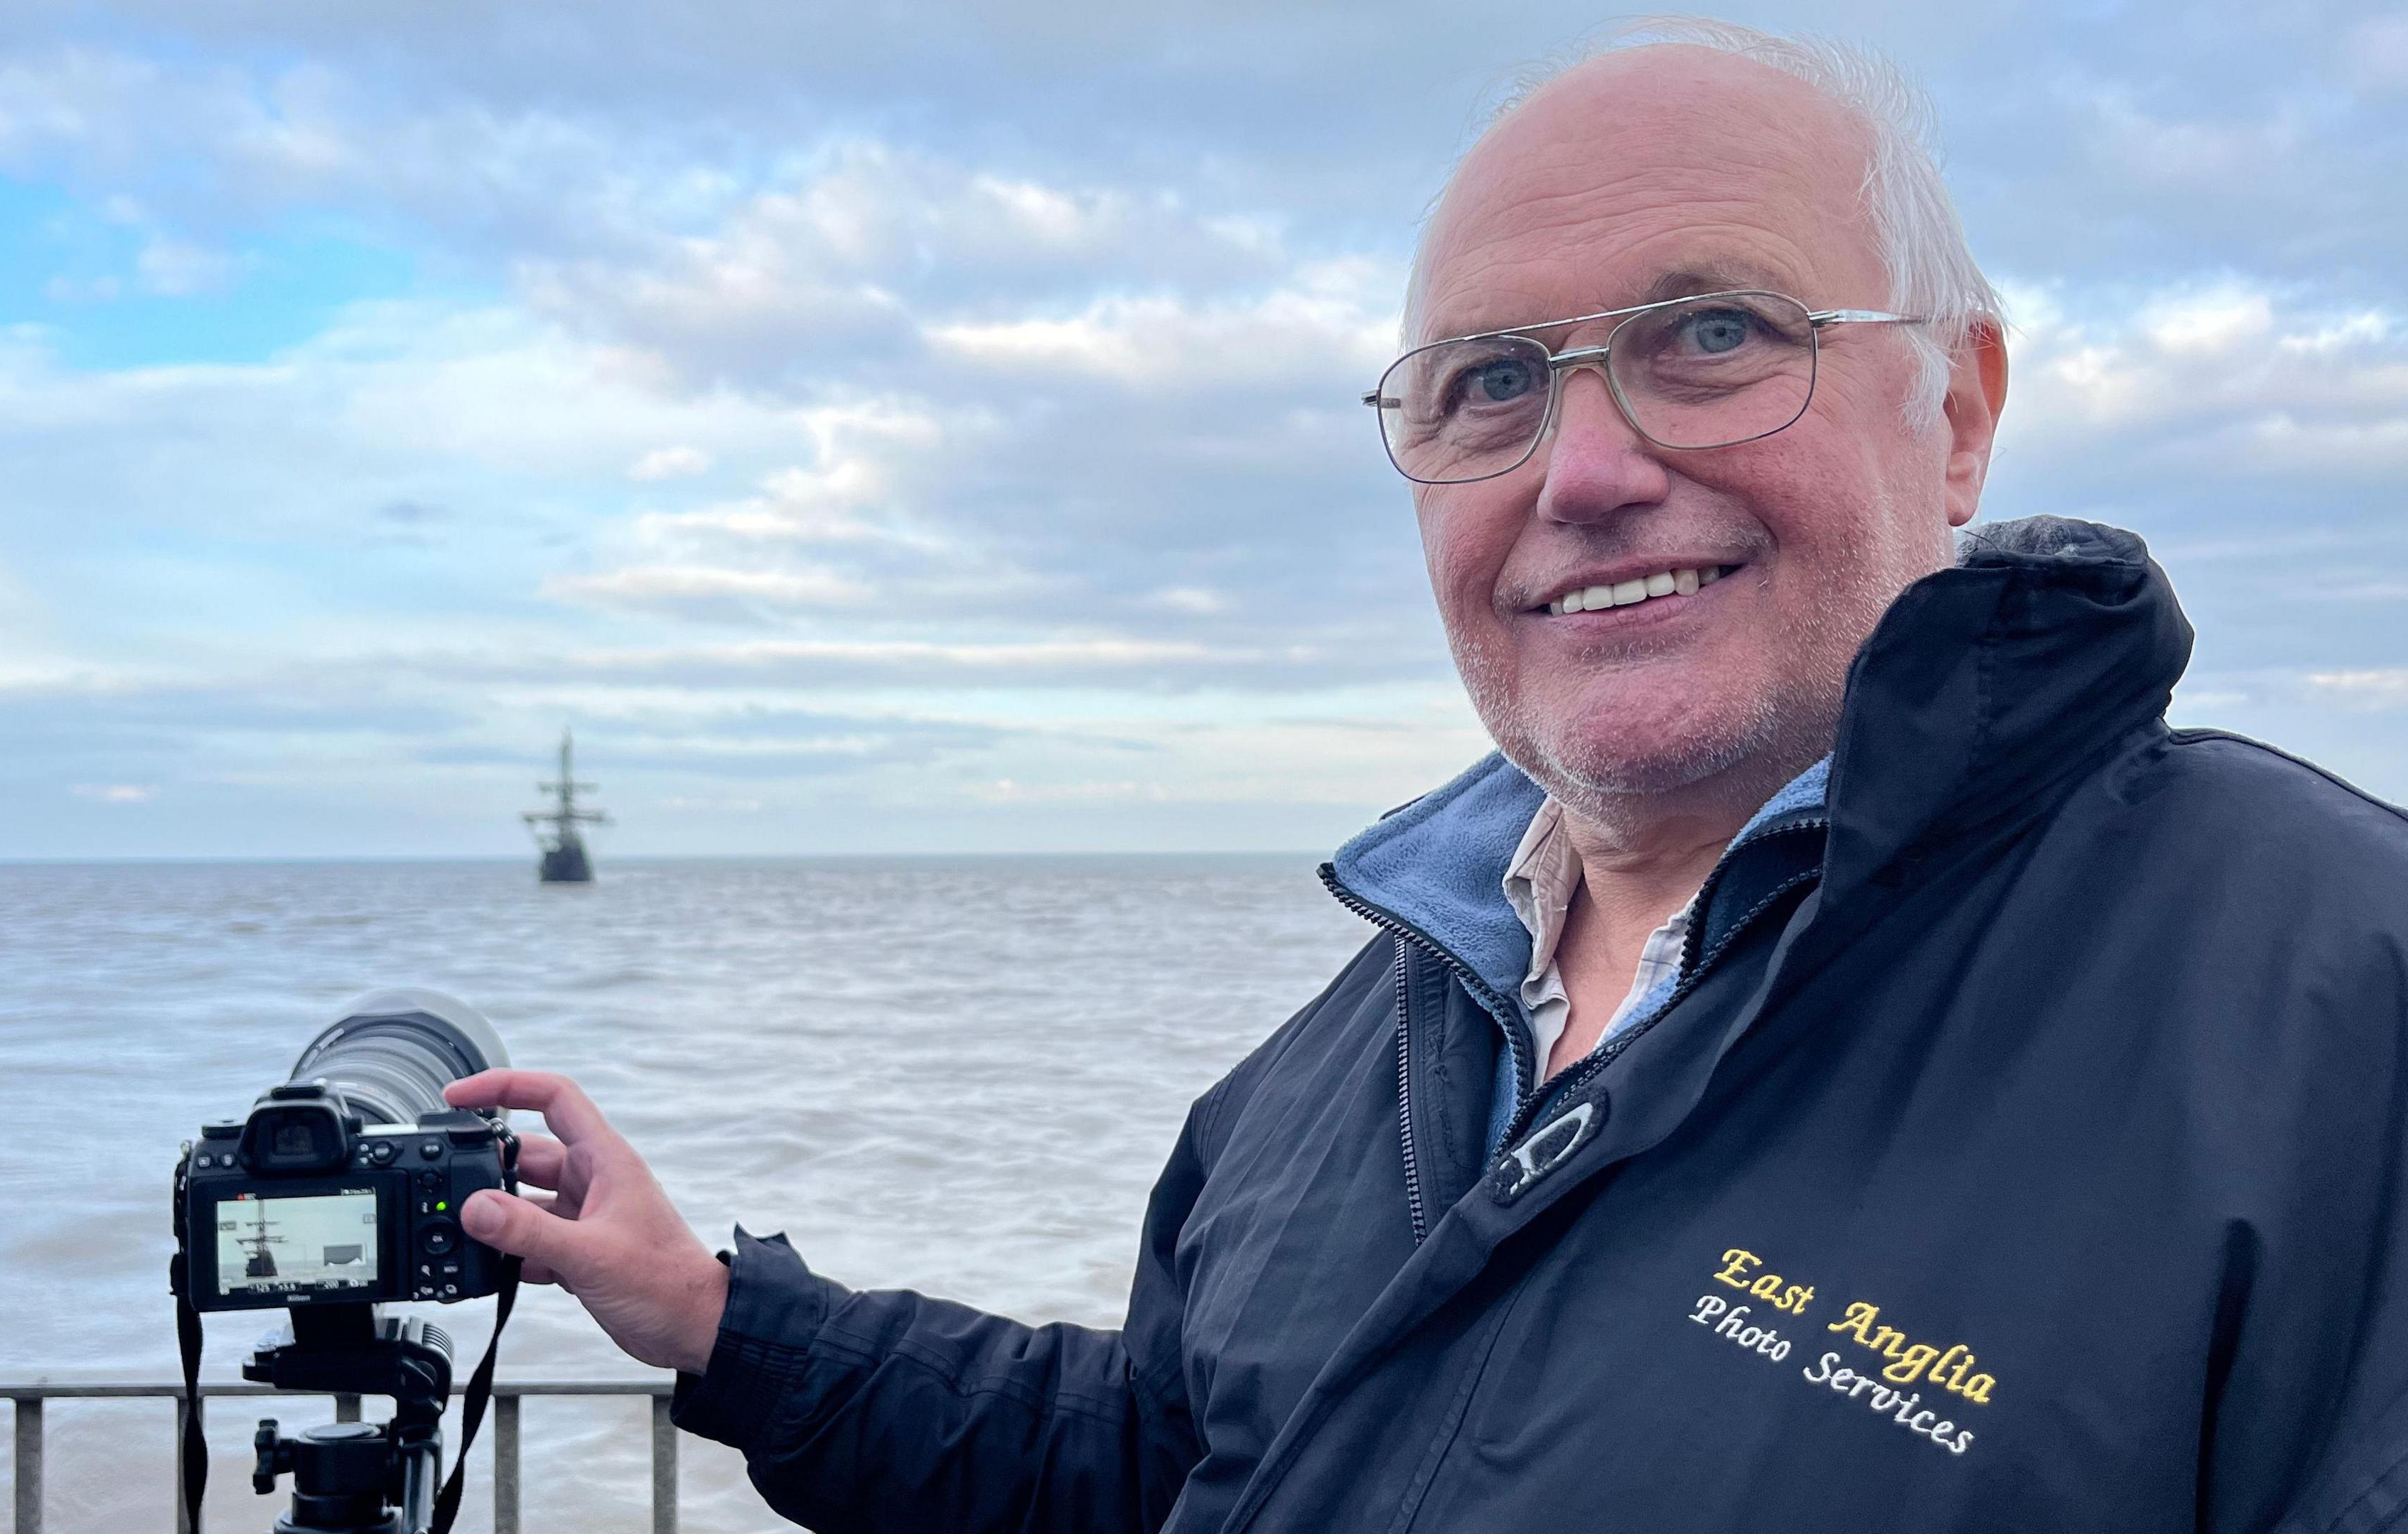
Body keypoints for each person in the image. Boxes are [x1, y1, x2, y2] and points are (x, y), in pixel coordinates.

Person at [444, 18, 2408, 1531]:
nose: (1584, 470)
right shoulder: (1354, 1046)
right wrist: (708, 1312)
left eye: (1709, 334)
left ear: (1956, 409)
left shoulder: (2330, 1004)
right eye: (1488, 384)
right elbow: (1165, 1464)